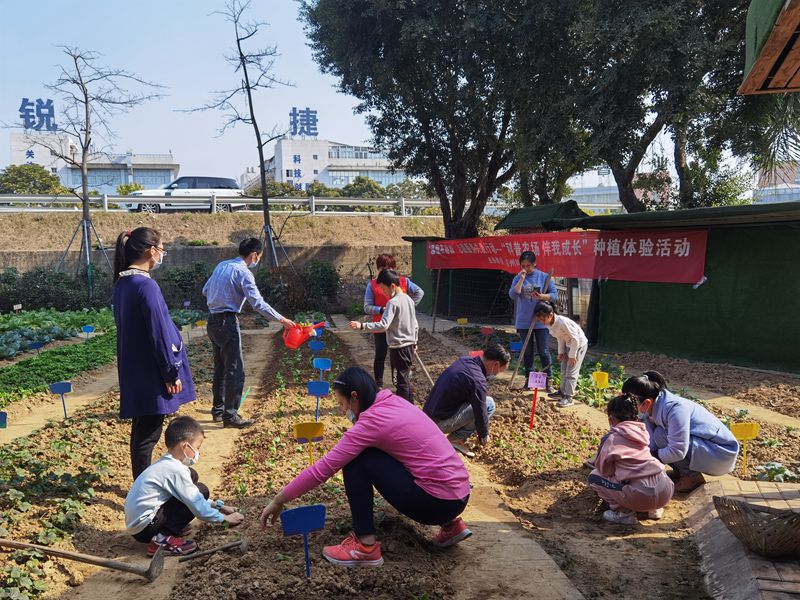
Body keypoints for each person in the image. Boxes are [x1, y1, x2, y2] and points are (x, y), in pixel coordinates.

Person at [258, 367, 472, 567]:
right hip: (459, 494)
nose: (343, 412)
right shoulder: (392, 401)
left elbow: (322, 469)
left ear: (354, 397)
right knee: (406, 456)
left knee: (356, 461)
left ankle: (365, 546)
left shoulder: (370, 423)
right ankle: (451, 525)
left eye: (341, 404)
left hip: (436, 502)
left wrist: (279, 500)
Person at [113, 228, 196, 480]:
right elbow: (160, 333)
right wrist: (170, 371)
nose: (162, 255)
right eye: (161, 249)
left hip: (135, 369)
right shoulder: (145, 286)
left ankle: (141, 483)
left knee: (141, 431)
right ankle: (143, 490)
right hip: (152, 372)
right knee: (148, 435)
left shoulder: (122, 283)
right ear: (151, 251)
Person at [202, 238, 295, 428]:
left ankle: (218, 411)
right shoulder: (244, 273)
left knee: (220, 367)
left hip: (212, 321)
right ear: (254, 255)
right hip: (227, 321)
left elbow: (205, 290)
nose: (257, 260)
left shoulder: (222, 265)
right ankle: (230, 416)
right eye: (258, 257)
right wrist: (282, 320)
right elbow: (257, 303)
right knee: (235, 369)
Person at [125, 416, 244, 556]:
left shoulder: (166, 464)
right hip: (145, 529)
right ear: (185, 446)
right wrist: (224, 519)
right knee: (201, 490)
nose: (198, 452)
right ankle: (161, 540)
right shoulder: (176, 471)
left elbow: (189, 494)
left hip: (139, 525)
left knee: (192, 476)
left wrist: (220, 506)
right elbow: (196, 503)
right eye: (197, 447)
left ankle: (168, 529)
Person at [622, 371, 739, 493]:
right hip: (704, 447)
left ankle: (692, 477)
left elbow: (677, 450)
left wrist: (648, 459)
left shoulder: (675, 409)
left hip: (720, 454)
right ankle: (681, 471)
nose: (628, 408)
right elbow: (649, 443)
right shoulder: (651, 407)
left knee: (661, 435)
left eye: (631, 404)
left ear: (646, 402)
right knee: (658, 436)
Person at [588, 394, 674, 526]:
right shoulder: (643, 431)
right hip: (665, 491)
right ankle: (654, 510)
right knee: (650, 465)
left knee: (594, 477)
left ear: (611, 420)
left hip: (640, 495)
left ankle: (624, 514)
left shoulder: (611, 439)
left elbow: (604, 471)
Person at [423, 343, 510, 457]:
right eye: (500, 371)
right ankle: (454, 439)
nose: (497, 374)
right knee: (489, 404)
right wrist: (484, 436)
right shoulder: (478, 380)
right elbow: (481, 410)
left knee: (479, 400)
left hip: (427, 417)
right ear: (496, 364)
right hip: (438, 423)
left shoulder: (464, 361)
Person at [350, 269, 418, 403]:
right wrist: (414, 341)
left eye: (383, 289)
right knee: (404, 378)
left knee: (400, 382)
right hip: (409, 346)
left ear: (392, 286)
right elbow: (415, 323)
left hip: (398, 348)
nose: (383, 292)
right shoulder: (408, 299)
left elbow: (383, 325)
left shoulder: (392, 303)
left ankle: (404, 410)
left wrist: (363, 326)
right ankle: (410, 406)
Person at [363, 253, 424, 388]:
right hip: (380, 326)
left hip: (399, 328)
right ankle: (379, 384)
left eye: (390, 267)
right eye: (383, 268)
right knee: (381, 355)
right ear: (378, 268)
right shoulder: (373, 285)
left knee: (397, 360)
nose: (387, 271)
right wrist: (381, 310)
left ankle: (400, 385)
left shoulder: (403, 281)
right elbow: (367, 307)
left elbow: (420, 292)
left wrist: (408, 306)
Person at [508, 251, 558, 392]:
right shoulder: (518, 277)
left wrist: (542, 296)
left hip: (541, 320)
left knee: (543, 350)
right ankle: (529, 380)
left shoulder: (544, 277)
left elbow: (555, 296)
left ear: (534, 264)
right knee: (527, 351)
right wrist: (521, 280)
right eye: (523, 265)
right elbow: (513, 294)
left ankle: (549, 380)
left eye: (528, 266)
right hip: (524, 320)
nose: (526, 268)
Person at [534, 301, 588, 408]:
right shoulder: (550, 324)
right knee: (564, 370)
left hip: (578, 345)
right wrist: (561, 352)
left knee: (571, 372)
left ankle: (569, 397)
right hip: (568, 344)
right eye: (539, 319)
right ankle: (562, 392)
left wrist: (572, 356)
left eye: (542, 318)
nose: (541, 321)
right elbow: (560, 337)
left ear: (550, 314)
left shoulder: (562, 322)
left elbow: (575, 339)